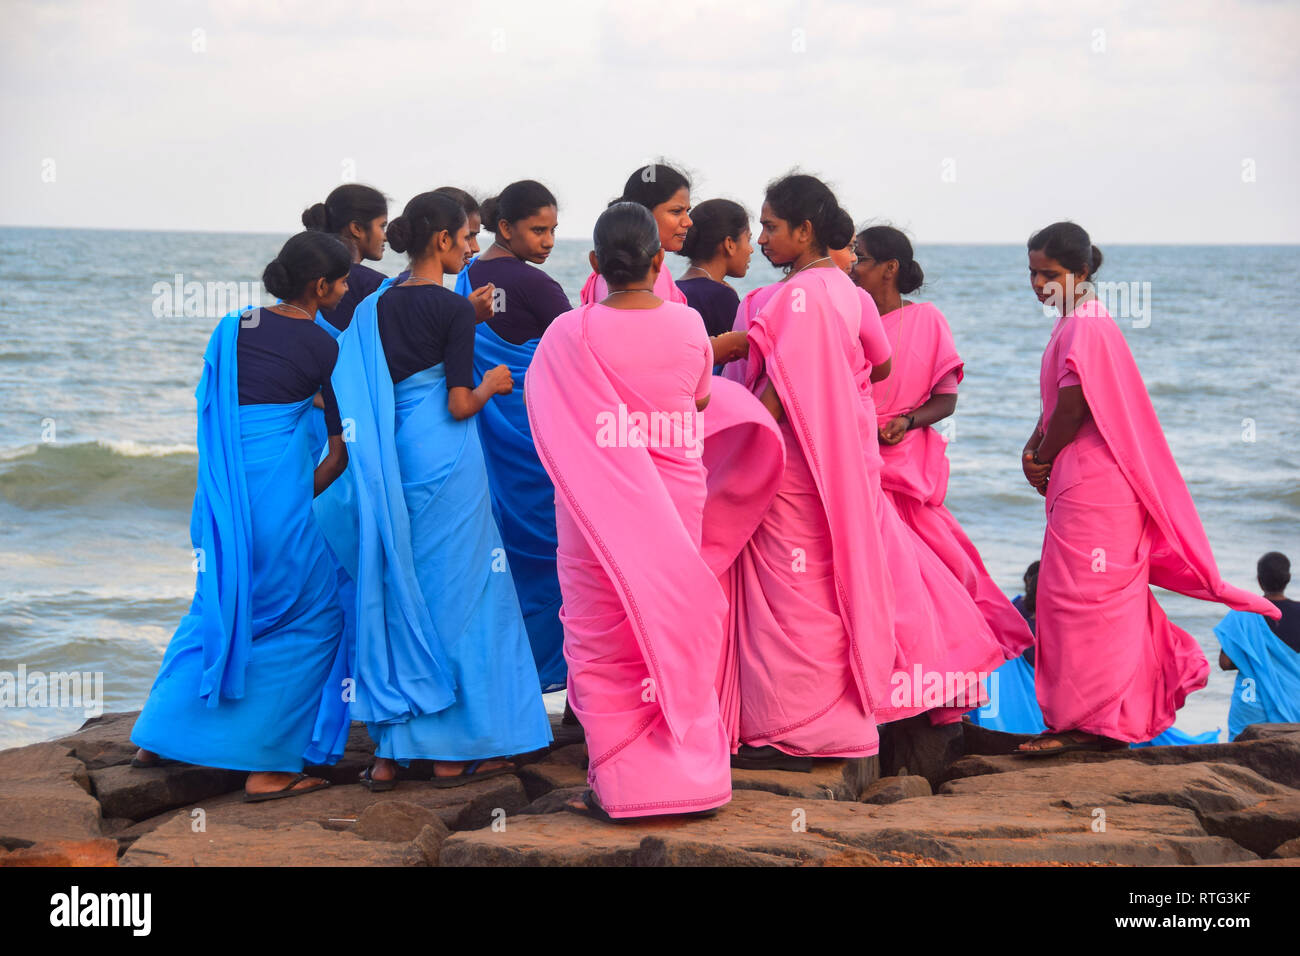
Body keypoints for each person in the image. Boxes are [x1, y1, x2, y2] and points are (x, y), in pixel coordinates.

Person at [526, 202, 784, 820]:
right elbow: (698, 402)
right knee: (670, 625)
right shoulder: (690, 325)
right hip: (673, 499)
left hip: (594, 507)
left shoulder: (570, 331)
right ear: (658, 260)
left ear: (594, 264)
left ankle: (619, 780)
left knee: (601, 632)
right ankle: (689, 778)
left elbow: (544, 409)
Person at [1018, 221, 1279, 755]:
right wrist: (1035, 448)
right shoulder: (1080, 321)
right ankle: (1095, 719)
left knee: (1082, 602)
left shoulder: (1085, 324)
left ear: (1082, 272)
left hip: (1095, 484)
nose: (1038, 284)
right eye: (1032, 273)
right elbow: (1059, 407)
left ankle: (1087, 724)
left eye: (1049, 274)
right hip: (1086, 479)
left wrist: (1040, 458)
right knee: (1084, 600)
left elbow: (1072, 409)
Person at [319, 191, 551, 789]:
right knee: (466, 591)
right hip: (447, 453)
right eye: (468, 237)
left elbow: (357, 378)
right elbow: (457, 401)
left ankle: (394, 750)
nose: (474, 249)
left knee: (409, 585)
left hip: (395, 453)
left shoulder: (371, 306)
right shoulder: (449, 310)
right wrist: (495, 382)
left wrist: (463, 317)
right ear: (443, 241)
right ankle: (455, 749)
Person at [131, 232, 352, 800]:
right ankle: (271, 769)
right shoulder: (325, 346)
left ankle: (157, 736)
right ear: (320, 286)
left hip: (222, 500)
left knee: (221, 603)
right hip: (279, 506)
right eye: (342, 280)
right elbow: (339, 448)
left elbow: (215, 405)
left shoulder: (232, 328)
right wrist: (303, 492)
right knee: (315, 618)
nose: (347, 289)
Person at [852, 225, 1033, 660]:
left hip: (905, 470)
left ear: (889, 268)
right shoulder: (848, 319)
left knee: (937, 578)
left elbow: (946, 399)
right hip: (857, 465)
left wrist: (907, 421)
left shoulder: (927, 319)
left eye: (860, 259)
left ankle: (939, 672)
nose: (852, 268)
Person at [463, 180, 572, 690]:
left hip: (481, 440)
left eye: (553, 230)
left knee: (497, 557)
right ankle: (547, 675)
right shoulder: (539, 287)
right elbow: (579, 356)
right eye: (538, 230)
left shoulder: (462, 278)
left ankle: (496, 679)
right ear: (506, 228)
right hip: (537, 442)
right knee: (553, 554)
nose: (548, 240)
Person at [1216, 552, 1300, 739]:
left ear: (1259, 580)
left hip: (1251, 701)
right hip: (1295, 702)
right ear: (1288, 579)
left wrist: (1255, 659)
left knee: (1242, 752)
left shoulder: (1243, 614)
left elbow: (1225, 663)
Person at [303, 185, 389, 335]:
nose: (385, 237)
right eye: (382, 226)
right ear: (357, 228)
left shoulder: (304, 276)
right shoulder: (374, 284)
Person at [676, 198, 751, 339]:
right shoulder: (721, 296)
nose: (751, 249)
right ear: (730, 244)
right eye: (748, 238)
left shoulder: (674, 289)